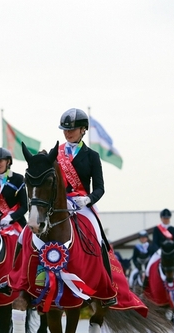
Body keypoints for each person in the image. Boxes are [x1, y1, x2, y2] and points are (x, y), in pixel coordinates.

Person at [55, 108, 115, 305]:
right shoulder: (56, 153)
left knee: (98, 238)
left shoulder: (92, 156)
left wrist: (88, 200)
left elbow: (100, 188)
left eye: (71, 129)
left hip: (82, 205)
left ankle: (107, 285)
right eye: (65, 129)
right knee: (28, 234)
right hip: (58, 205)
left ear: (83, 130)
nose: (67, 133)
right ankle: (23, 277)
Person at [0, 147, 28, 234]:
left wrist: (11, 217)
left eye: (0, 161)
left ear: (8, 162)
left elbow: (24, 207)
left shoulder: (18, 178)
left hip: (16, 223)